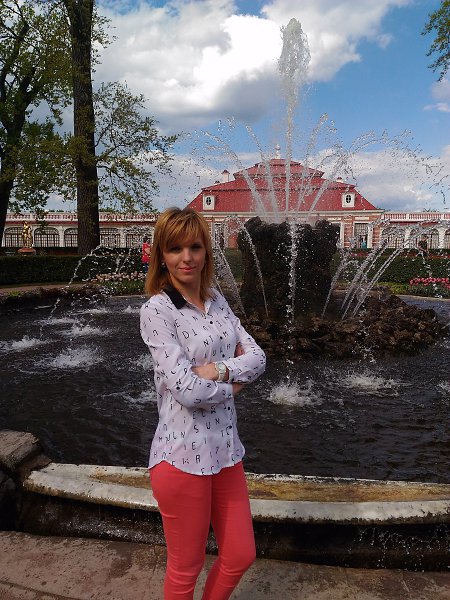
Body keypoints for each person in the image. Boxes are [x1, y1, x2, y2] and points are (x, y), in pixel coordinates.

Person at [140, 207, 266, 600]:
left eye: (195, 247)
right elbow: (186, 391)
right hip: (181, 457)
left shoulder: (217, 300)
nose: (186, 257)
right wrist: (235, 386)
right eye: (175, 248)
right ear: (161, 255)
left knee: (241, 554)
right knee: (185, 570)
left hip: (226, 452)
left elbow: (259, 358)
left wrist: (218, 370)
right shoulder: (157, 310)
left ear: (206, 252)